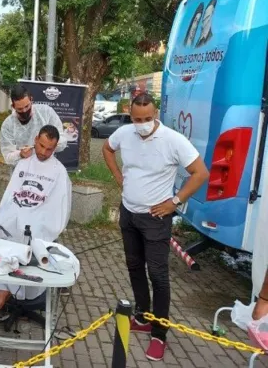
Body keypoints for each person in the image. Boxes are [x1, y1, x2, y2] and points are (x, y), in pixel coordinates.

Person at [102, 93, 209, 361]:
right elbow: (107, 148)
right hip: (128, 213)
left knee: (158, 276)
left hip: (156, 220)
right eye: (138, 119)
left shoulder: (173, 140)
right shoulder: (125, 133)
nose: (143, 124)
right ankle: (142, 316)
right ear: (129, 113)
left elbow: (201, 173)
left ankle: (159, 334)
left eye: (148, 118)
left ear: (156, 113)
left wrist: (175, 202)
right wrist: (118, 176)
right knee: (134, 267)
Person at [0, 125, 72, 314]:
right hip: (14, 215)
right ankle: (1, 287)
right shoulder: (24, 164)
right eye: (41, 146)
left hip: (39, 222)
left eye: (49, 149)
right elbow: (9, 196)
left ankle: (5, 291)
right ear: (35, 139)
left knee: (25, 237)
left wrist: (35, 220)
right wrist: (2, 218)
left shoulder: (59, 172)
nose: (44, 152)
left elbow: (58, 210)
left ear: (55, 148)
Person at [0, 84, 68, 167]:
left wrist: (48, 145)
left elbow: (62, 140)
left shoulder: (46, 112)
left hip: (47, 167)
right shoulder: (8, 125)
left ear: (31, 99)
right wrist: (20, 154)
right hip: (21, 172)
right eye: (20, 109)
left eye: (27, 106)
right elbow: (7, 157)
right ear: (13, 106)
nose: (24, 111)